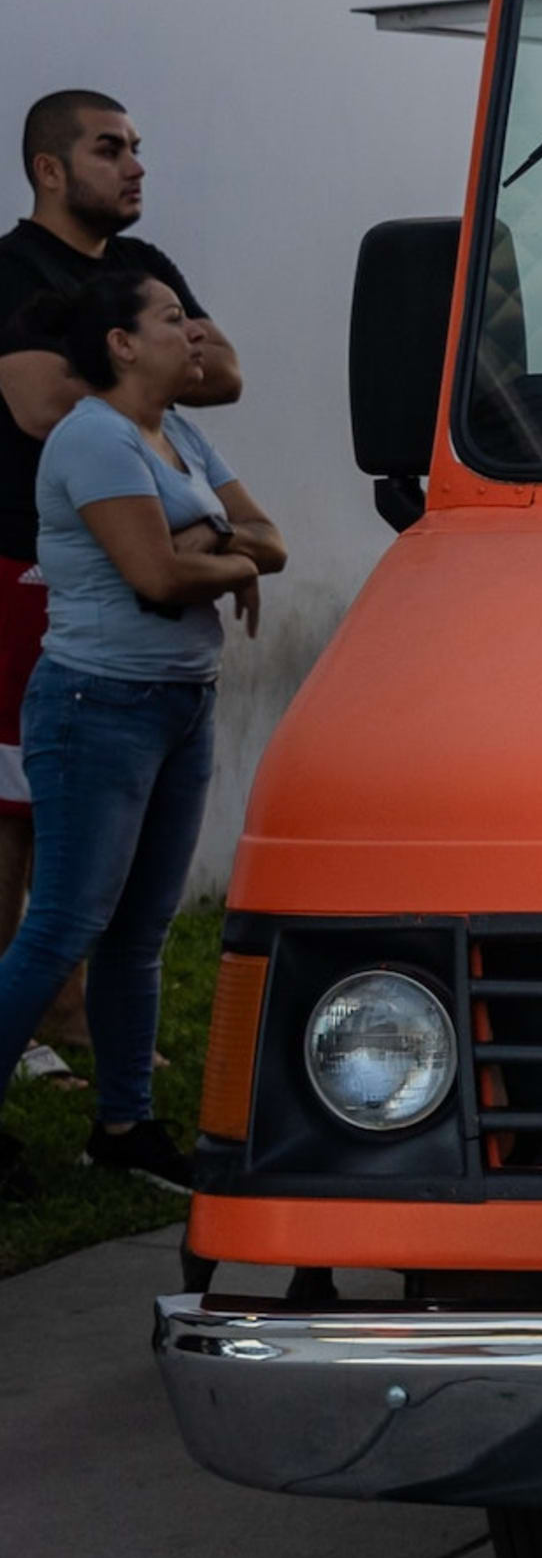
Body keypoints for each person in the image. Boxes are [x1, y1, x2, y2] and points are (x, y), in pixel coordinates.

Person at [0, 268, 281, 1198]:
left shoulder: (180, 432)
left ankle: (123, 1127)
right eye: (170, 319)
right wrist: (215, 555)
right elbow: (153, 579)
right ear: (121, 344)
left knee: (137, 935)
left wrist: (212, 551)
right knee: (62, 928)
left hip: (180, 702)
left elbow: (271, 540)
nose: (192, 332)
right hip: (96, 708)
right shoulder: (94, 439)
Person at [0, 92, 235, 1088]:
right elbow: (37, 404)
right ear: (50, 169)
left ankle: (77, 1012)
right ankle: (34, 1010)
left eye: (137, 146)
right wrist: (143, 378)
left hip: (144, 586)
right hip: (24, 564)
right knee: (16, 803)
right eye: (110, 149)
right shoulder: (12, 271)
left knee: (88, 822)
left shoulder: (147, 271)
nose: (134, 164)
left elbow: (223, 371)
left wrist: (145, 370)